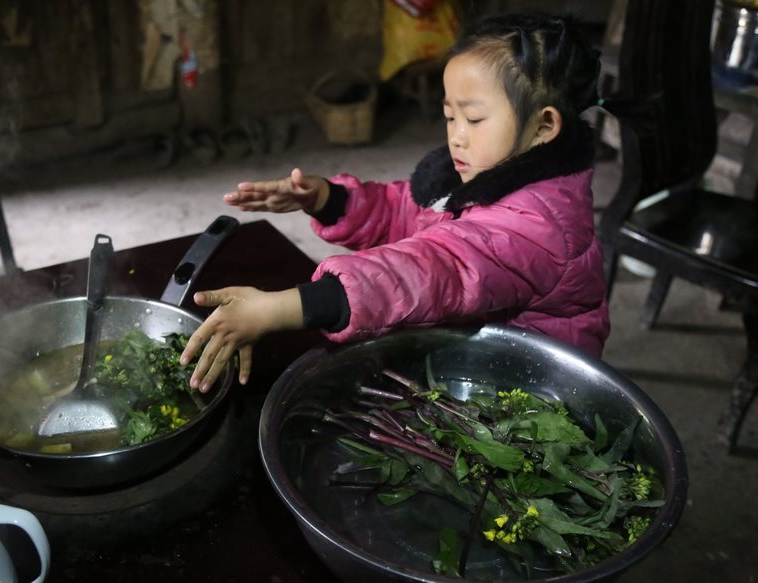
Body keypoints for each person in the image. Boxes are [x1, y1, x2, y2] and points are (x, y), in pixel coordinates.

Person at [179, 13, 610, 392]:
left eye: (474, 119)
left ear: (544, 126)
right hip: (474, 357)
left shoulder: (539, 228)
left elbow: (432, 270)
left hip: (527, 391)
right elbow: (407, 212)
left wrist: (283, 306)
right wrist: (327, 198)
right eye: (449, 116)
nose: (456, 134)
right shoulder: (484, 173)